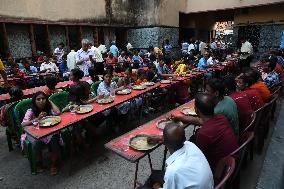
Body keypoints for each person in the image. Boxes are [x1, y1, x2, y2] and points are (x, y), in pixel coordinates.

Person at [171, 93, 239, 172]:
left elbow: (199, 158)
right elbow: (199, 120)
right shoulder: (221, 117)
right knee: (193, 138)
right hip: (233, 159)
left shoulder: (203, 134)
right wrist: (179, 117)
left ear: (196, 110)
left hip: (219, 169)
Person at [139, 122, 214, 189]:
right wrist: (161, 138)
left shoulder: (173, 170)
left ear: (165, 143)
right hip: (207, 185)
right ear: (184, 139)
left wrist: (157, 187)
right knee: (155, 175)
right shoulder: (190, 145)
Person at [21, 92, 61, 175]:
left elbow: (58, 113)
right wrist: (37, 118)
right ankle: (39, 163)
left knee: (55, 137)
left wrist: (49, 101)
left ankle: (54, 164)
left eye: (43, 98)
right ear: (34, 101)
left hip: (48, 131)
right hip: (34, 133)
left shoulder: (48, 108)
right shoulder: (30, 111)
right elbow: (23, 124)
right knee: (37, 142)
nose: (41, 101)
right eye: (38, 99)